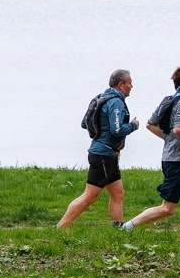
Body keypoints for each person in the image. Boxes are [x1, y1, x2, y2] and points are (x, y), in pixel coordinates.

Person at [122, 64, 180, 230]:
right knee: (167, 208)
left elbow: (150, 125)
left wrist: (169, 140)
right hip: (176, 161)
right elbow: (179, 128)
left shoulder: (169, 100)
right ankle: (127, 227)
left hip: (176, 160)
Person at [57, 69, 140, 228]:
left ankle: (118, 229)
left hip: (108, 154)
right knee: (90, 196)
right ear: (120, 85)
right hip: (104, 155)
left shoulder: (101, 97)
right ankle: (60, 227)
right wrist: (133, 126)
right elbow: (116, 130)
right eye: (129, 82)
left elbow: (84, 123)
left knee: (118, 194)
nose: (132, 85)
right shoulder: (116, 102)